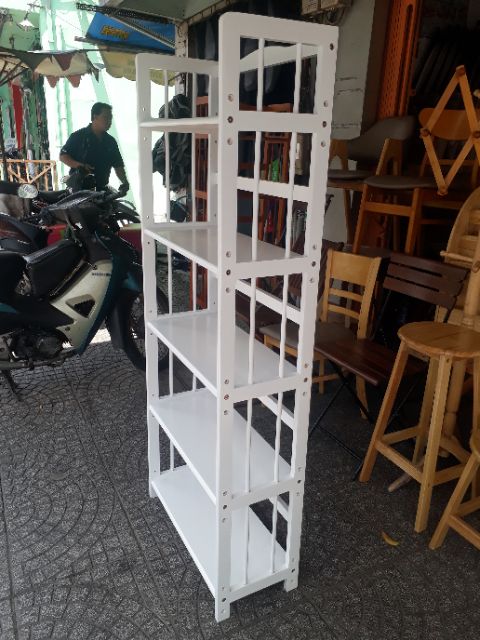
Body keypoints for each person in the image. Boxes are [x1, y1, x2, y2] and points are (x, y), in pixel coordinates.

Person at [59, 102, 129, 192]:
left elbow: (118, 165)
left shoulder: (110, 141)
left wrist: (124, 182)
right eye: (105, 117)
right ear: (95, 117)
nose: (109, 121)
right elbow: (63, 156)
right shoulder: (78, 136)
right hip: (79, 190)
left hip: (101, 189)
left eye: (110, 118)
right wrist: (80, 166)